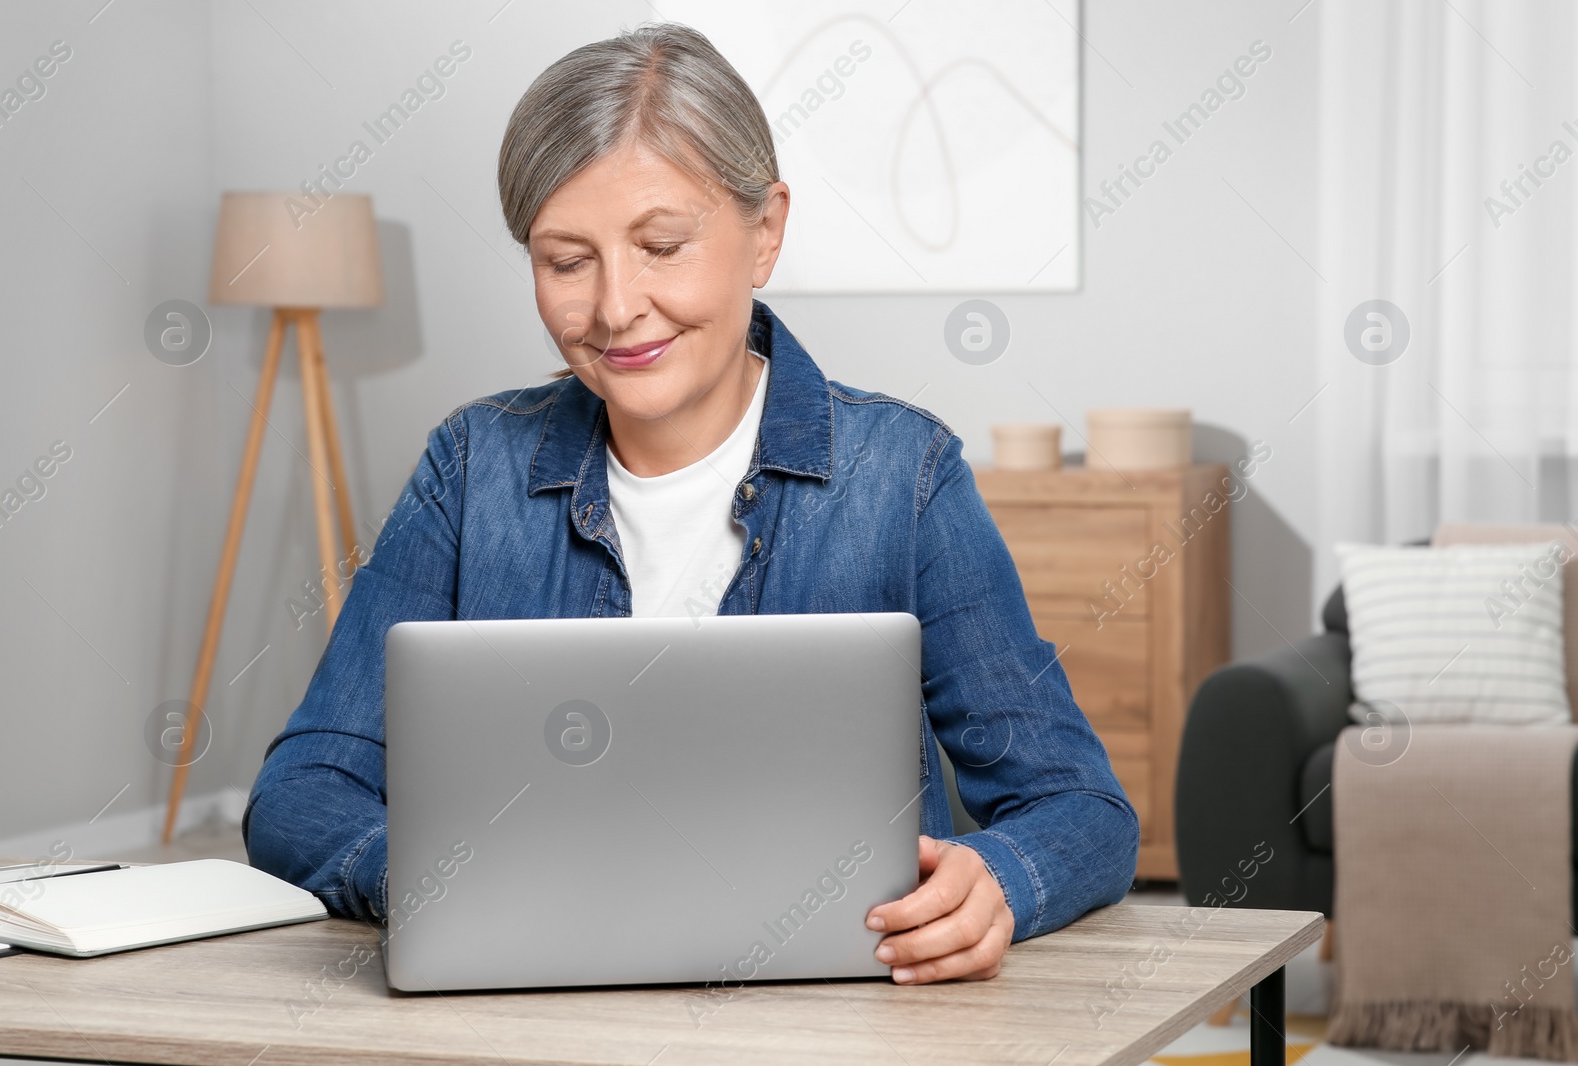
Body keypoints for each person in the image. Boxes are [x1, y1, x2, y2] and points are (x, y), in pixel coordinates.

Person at [245, 21, 1137, 985]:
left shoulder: (903, 475)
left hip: (834, 1027)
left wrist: (998, 880)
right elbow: (301, 791)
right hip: (526, 1017)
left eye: (662, 245)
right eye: (566, 260)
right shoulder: (471, 469)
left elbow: (1080, 806)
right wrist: (434, 878)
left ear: (765, 231)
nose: (617, 306)